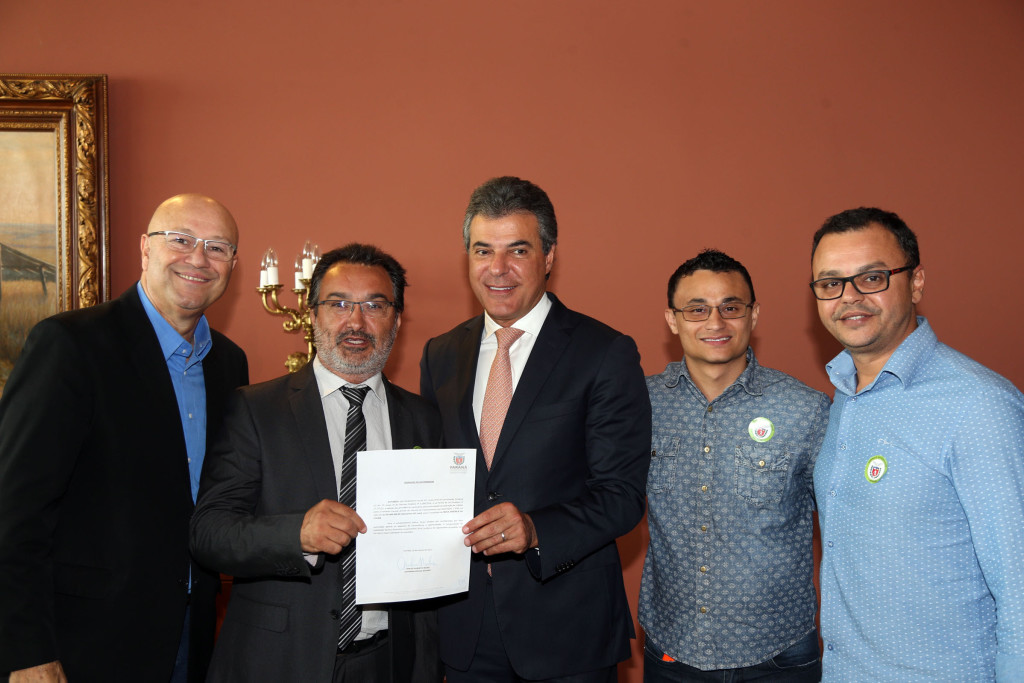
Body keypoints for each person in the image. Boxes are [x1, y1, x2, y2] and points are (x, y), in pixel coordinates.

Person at [0, 194, 249, 682]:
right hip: (81, 644)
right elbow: (13, 509)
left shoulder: (229, 363)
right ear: (145, 248)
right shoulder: (71, 345)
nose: (198, 259)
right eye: (181, 240)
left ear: (233, 265)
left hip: (190, 637)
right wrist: (25, 650)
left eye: (217, 248)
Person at [419, 176, 651, 682]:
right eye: (483, 250)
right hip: (463, 630)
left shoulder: (604, 352)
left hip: (567, 629)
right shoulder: (440, 353)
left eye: (517, 250)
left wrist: (535, 529)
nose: (497, 269)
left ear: (548, 256)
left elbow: (622, 496)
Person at [191, 243, 443, 683]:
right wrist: (297, 534)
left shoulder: (423, 418)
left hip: (388, 663)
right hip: (278, 661)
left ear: (397, 320)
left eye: (375, 305)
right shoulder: (256, 408)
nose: (356, 322)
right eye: (339, 303)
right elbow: (209, 533)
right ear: (312, 314)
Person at [810, 207, 1024, 681]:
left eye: (872, 277)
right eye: (830, 283)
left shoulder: (978, 405)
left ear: (917, 282)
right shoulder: (845, 397)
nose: (849, 297)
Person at [640, 249, 830, 682]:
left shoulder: (806, 410)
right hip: (673, 651)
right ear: (672, 320)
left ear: (753, 315)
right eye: (696, 309)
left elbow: (848, 531)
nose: (715, 322)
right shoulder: (639, 405)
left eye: (731, 307)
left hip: (778, 654)